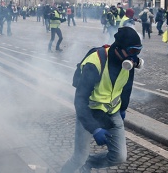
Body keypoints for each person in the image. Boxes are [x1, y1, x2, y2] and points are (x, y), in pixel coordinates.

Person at [60, 27, 143, 173]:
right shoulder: (95, 63)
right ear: (118, 48)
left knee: (119, 156)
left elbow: (127, 86)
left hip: (112, 111)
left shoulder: (128, 63)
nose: (135, 57)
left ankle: (88, 163)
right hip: (90, 112)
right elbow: (80, 101)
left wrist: (123, 108)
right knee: (79, 158)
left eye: (138, 51)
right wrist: (94, 128)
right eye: (132, 51)